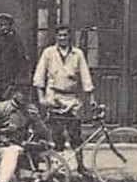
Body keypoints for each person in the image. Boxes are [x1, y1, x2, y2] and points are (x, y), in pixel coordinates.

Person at [33, 24, 94, 174]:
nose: (62, 38)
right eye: (60, 35)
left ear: (69, 37)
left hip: (72, 98)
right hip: (54, 97)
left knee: (75, 134)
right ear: (55, 37)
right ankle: (56, 166)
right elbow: (40, 75)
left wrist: (90, 97)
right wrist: (41, 97)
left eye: (65, 35)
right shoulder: (49, 53)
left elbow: (85, 76)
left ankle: (80, 165)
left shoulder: (77, 54)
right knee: (56, 134)